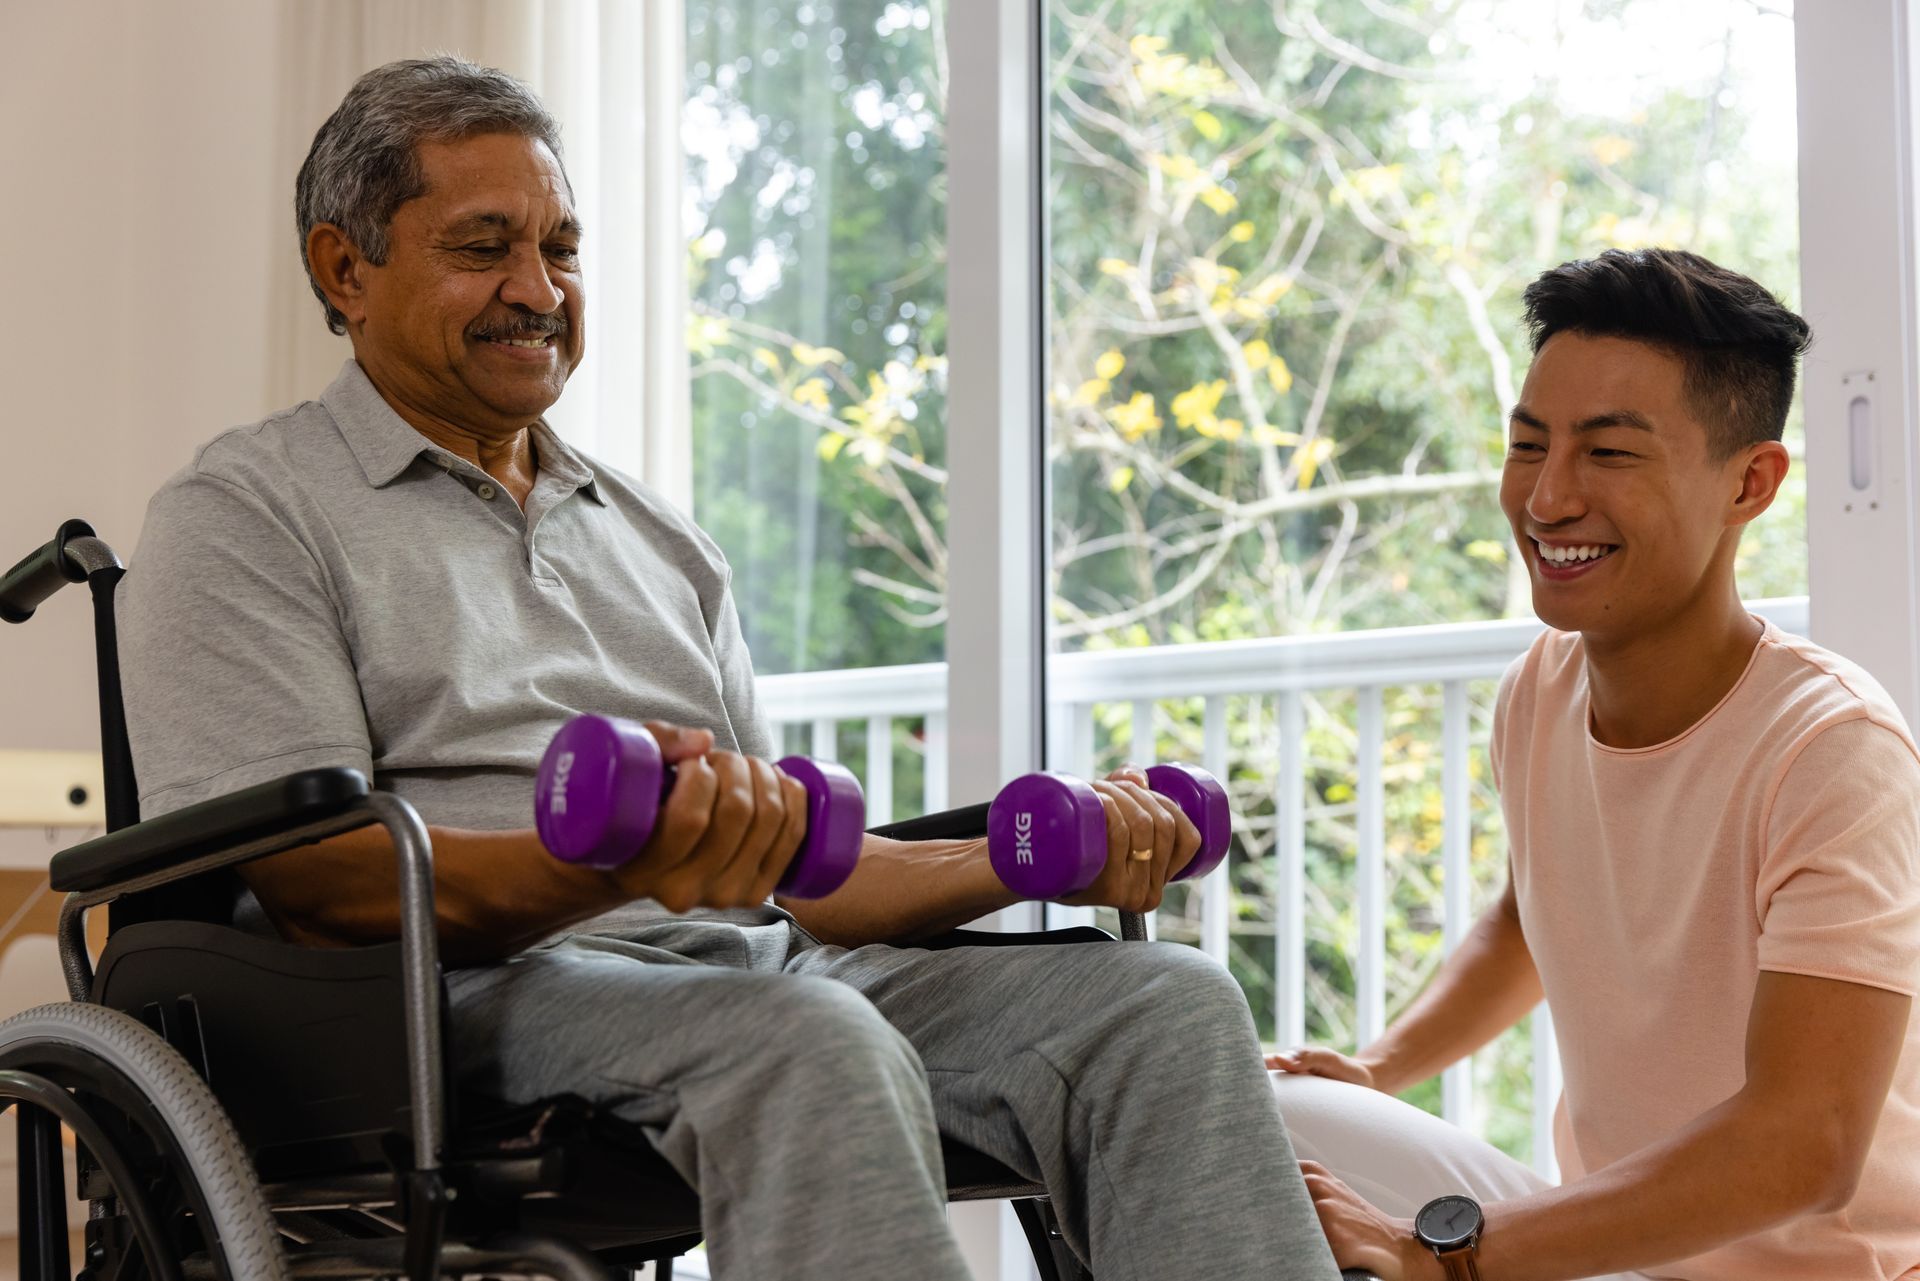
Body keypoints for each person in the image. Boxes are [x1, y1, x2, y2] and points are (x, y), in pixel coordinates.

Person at [117, 56, 1342, 1280]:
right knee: (804, 1033)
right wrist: (608, 864)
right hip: (459, 1007)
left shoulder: (659, 545)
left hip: (750, 967)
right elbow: (317, 887)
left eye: (563, 247)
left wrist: (1020, 856)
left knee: (1163, 1008)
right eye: (484, 246)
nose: (538, 290)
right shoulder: (248, 512)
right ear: (347, 270)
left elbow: (798, 882)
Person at [1267, 248, 1920, 1281]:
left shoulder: (1832, 750)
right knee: (1278, 1112)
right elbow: (1534, 918)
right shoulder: (1543, 686)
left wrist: (1446, 1257)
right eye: (1530, 444)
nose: (1549, 497)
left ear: (1750, 482)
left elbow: (1810, 1144)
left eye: (1609, 454)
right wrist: (1384, 1067)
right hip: (1614, 1254)